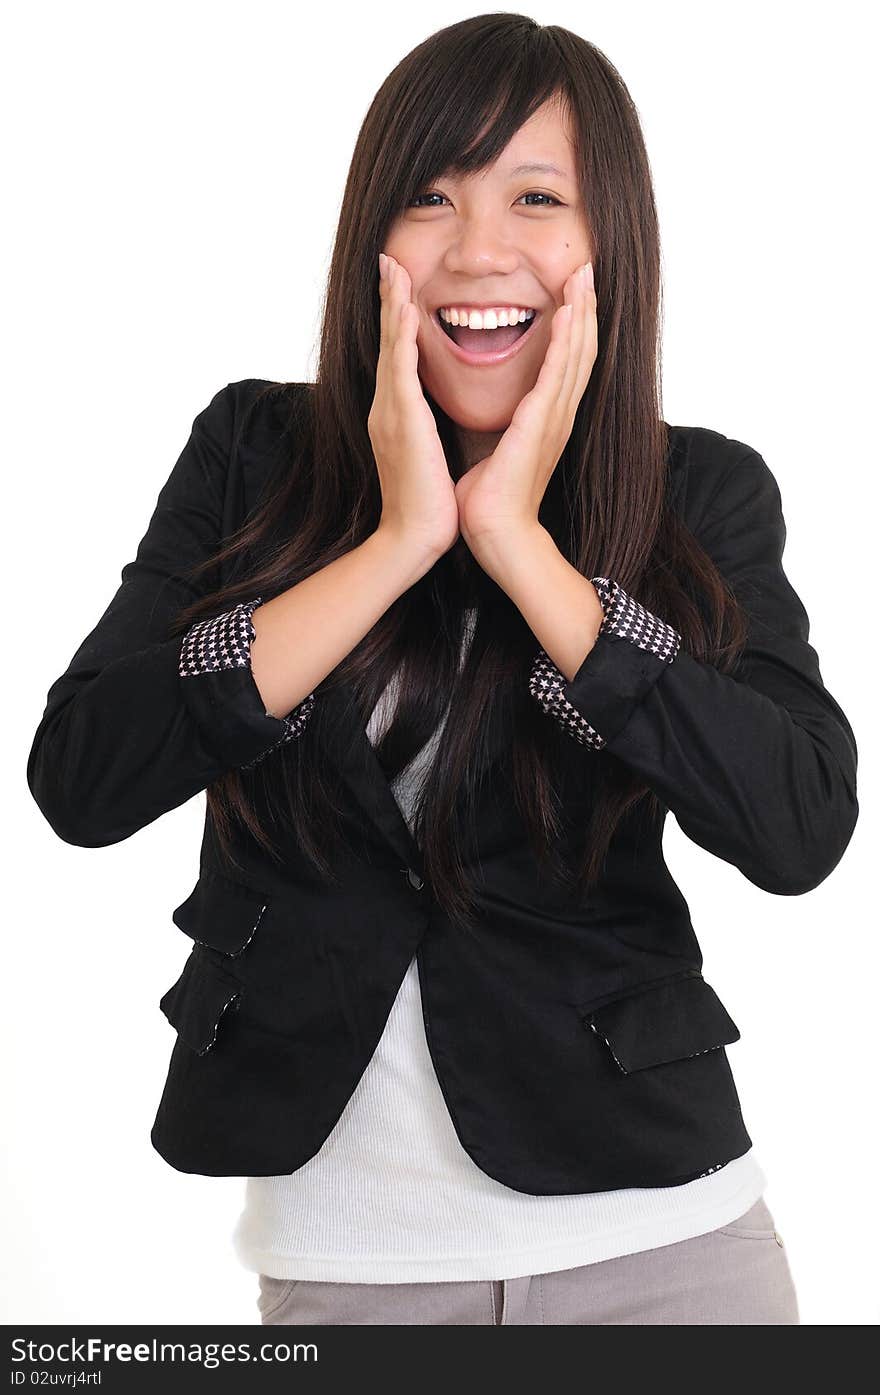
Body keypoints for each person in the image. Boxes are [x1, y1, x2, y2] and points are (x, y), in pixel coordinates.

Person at [27, 15, 858, 1326]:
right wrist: (399, 541)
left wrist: (522, 550)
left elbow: (799, 821)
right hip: (350, 1273)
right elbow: (83, 777)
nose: (478, 250)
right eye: (431, 196)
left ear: (608, 245)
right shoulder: (252, 453)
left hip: (668, 1246)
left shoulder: (698, 490)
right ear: (374, 239)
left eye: (537, 197)